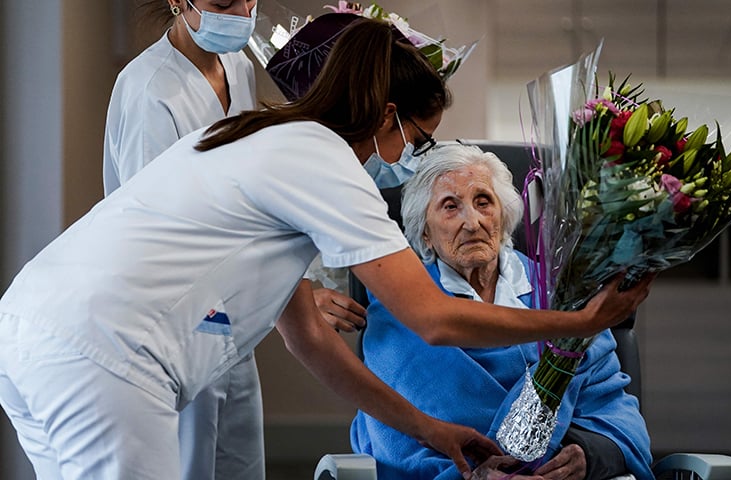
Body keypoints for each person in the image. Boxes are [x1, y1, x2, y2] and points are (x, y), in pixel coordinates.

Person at [0, 18, 652, 480]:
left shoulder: (260, 134)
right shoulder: (327, 163)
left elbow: (308, 339)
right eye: (418, 140)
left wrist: (431, 432)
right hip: (107, 356)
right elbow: (435, 319)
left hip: (31, 329)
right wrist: (582, 322)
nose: (409, 160)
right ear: (387, 115)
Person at [102, 2, 364, 479]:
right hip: (170, 325)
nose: (241, 13)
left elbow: (248, 203)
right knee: (188, 462)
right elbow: (163, 242)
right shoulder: (149, 92)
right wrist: (289, 297)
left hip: (227, 322)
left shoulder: (238, 67)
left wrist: (292, 287)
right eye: (223, 4)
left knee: (238, 462)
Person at [351, 144, 654, 480]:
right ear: (425, 232)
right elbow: (392, 436)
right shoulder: (400, 304)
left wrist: (588, 454)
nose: (473, 222)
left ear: (503, 215)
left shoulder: (564, 296)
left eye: (483, 202)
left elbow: (616, 414)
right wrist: (470, 475)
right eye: (450, 207)